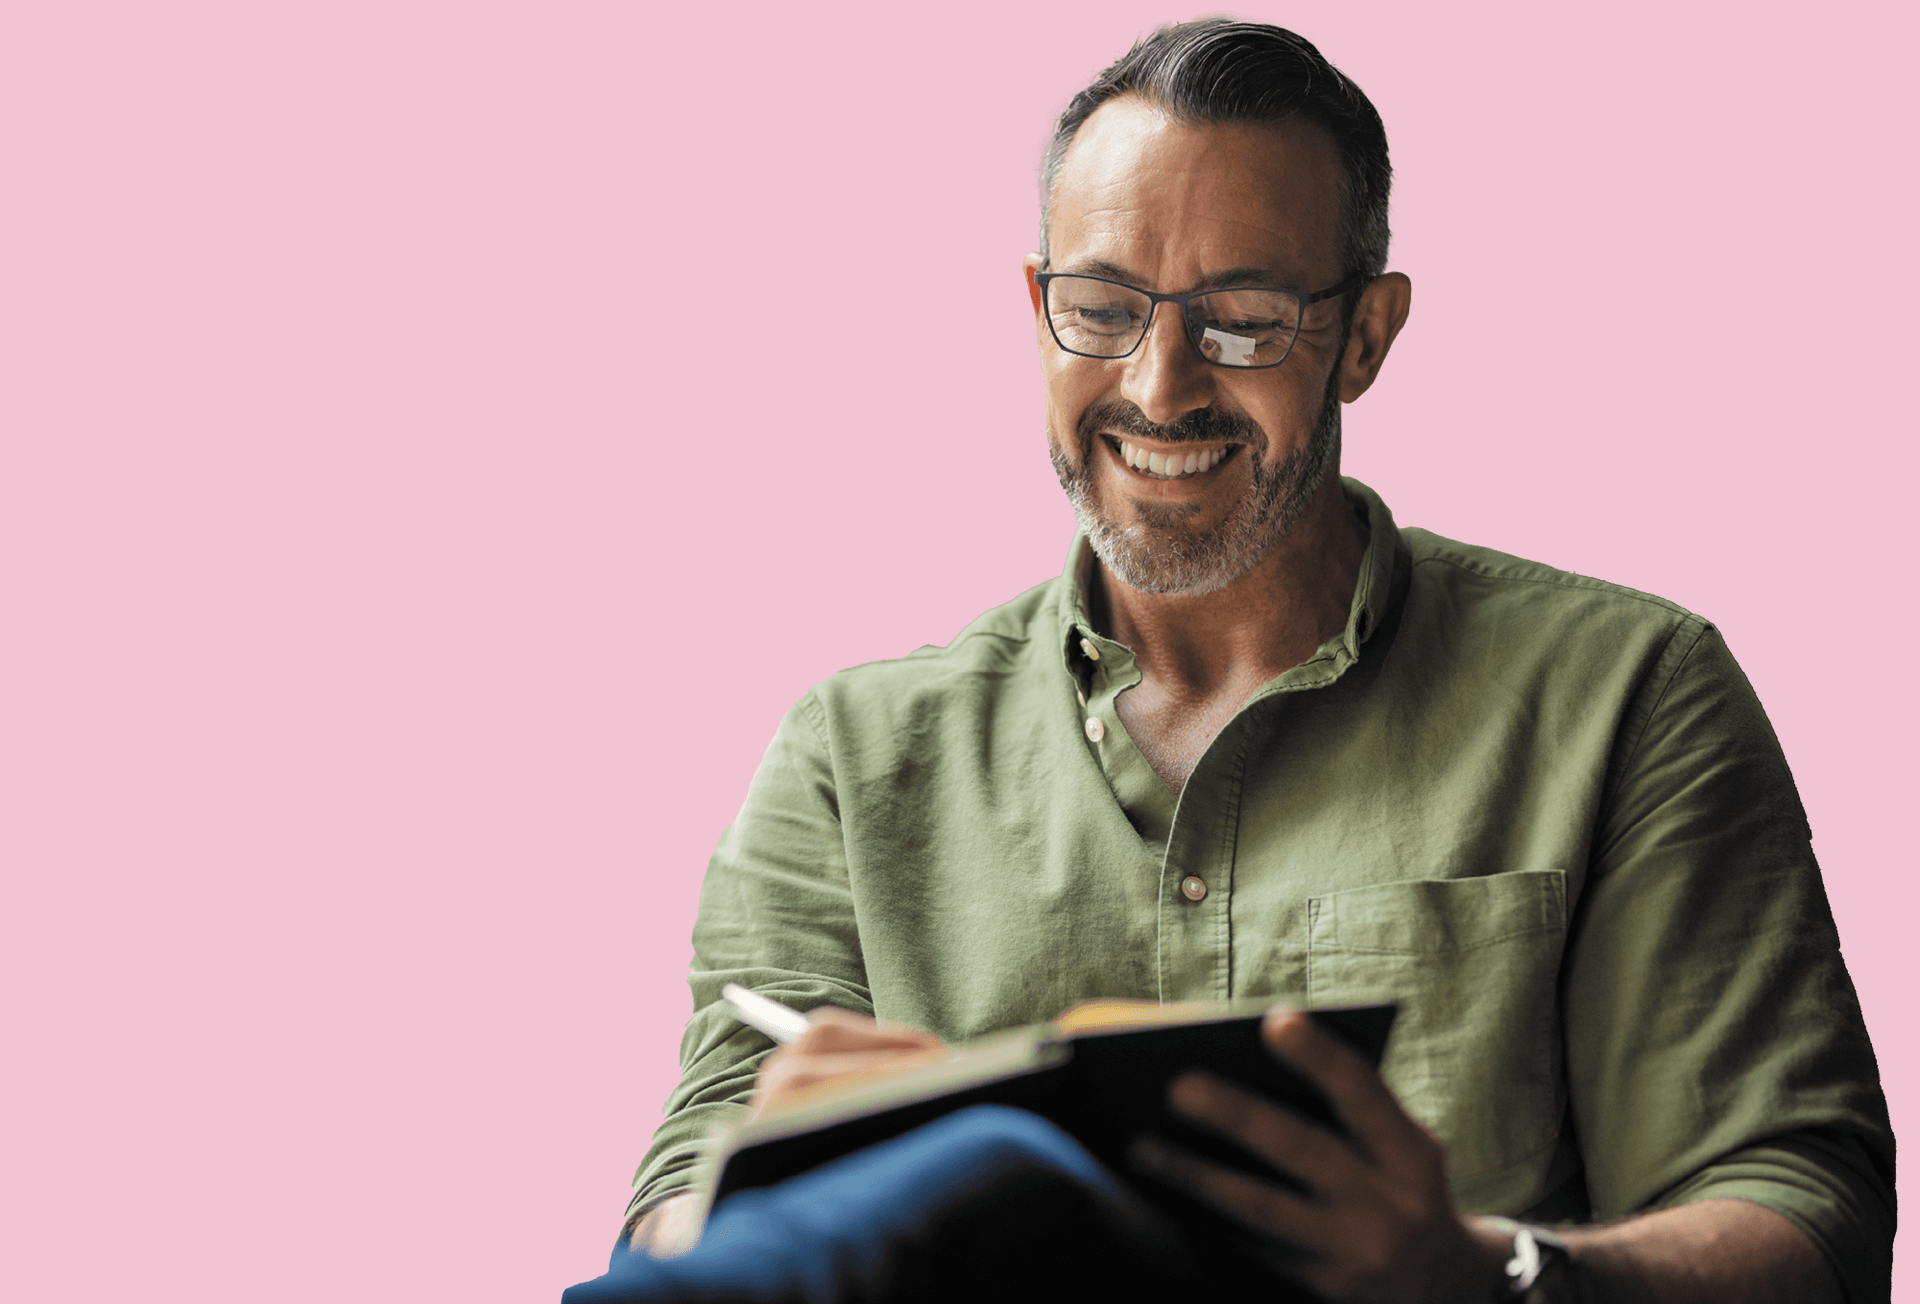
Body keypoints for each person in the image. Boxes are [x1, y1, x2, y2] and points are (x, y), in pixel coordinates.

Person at [575, 20, 1894, 1303]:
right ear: (1038, 314)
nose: (1160, 386)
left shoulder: (1629, 695)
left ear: (1365, 336)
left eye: (1247, 317)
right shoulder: (848, 760)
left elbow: (1802, 1214)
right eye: (1100, 309)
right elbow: (672, 1222)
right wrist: (777, 1180)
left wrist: (1483, 1275)